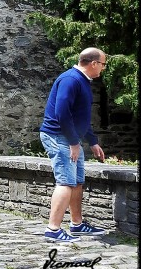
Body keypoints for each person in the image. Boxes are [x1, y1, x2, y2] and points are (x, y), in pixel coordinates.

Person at [39, 47, 108, 243]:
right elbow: (62, 114)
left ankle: (77, 225)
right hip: (59, 137)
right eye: (103, 64)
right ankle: (53, 230)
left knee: (76, 181)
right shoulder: (71, 79)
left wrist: (93, 142)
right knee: (66, 182)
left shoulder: (82, 81)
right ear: (93, 63)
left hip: (69, 138)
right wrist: (73, 142)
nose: (103, 69)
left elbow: (79, 117)